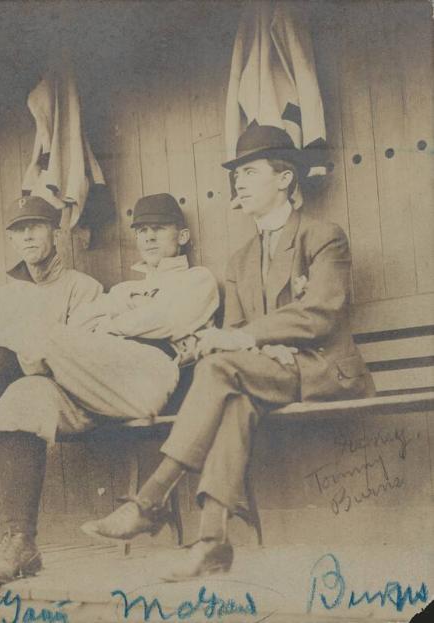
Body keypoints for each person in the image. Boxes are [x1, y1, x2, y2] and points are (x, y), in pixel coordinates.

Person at [83, 122, 376, 581]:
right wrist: (255, 344)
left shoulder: (323, 235)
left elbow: (322, 312)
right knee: (233, 397)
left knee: (221, 369)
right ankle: (213, 541)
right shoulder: (239, 259)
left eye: (250, 171)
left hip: (324, 370)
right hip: (268, 372)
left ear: (285, 178)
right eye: (236, 173)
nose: (238, 180)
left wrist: (252, 341)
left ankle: (151, 499)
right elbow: (238, 329)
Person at [0, 192, 219, 587]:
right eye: (142, 230)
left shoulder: (197, 279)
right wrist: (120, 319)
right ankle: (21, 544)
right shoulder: (122, 290)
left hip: (149, 377)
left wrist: (115, 322)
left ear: (183, 236)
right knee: (22, 398)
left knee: (36, 334)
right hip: (95, 381)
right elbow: (85, 326)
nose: (149, 238)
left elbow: (169, 321)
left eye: (159, 229)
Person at [0, 195, 103, 567]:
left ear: (55, 233)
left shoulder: (82, 287)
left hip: (56, 389)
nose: (27, 237)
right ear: (11, 240)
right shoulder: (6, 294)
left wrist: (19, 343)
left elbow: (78, 353)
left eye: (35, 227)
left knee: (13, 375)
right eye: (18, 231)